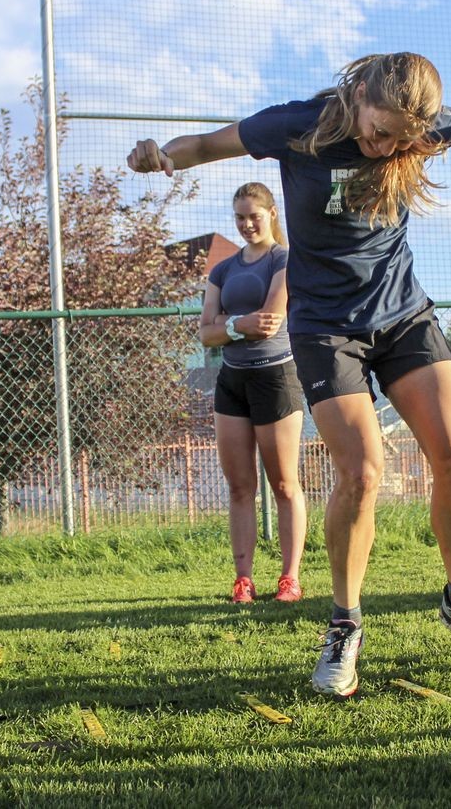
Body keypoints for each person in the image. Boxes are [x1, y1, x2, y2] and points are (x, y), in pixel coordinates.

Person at [129, 52, 451, 697]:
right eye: (379, 129)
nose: (386, 144)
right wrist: (166, 157)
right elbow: (208, 141)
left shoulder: (418, 128)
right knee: (362, 472)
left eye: (401, 138)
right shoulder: (298, 124)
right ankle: (344, 625)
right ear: (361, 92)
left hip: (402, 316)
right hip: (323, 327)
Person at [199, 182, 308, 605]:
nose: (246, 225)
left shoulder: (284, 259)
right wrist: (232, 327)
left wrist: (229, 323)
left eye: (254, 217)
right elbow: (205, 334)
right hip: (232, 382)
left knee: (283, 484)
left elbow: (271, 321)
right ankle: (243, 580)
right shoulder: (222, 270)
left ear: (272, 214)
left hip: (275, 378)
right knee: (240, 488)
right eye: (240, 218)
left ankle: (290, 578)